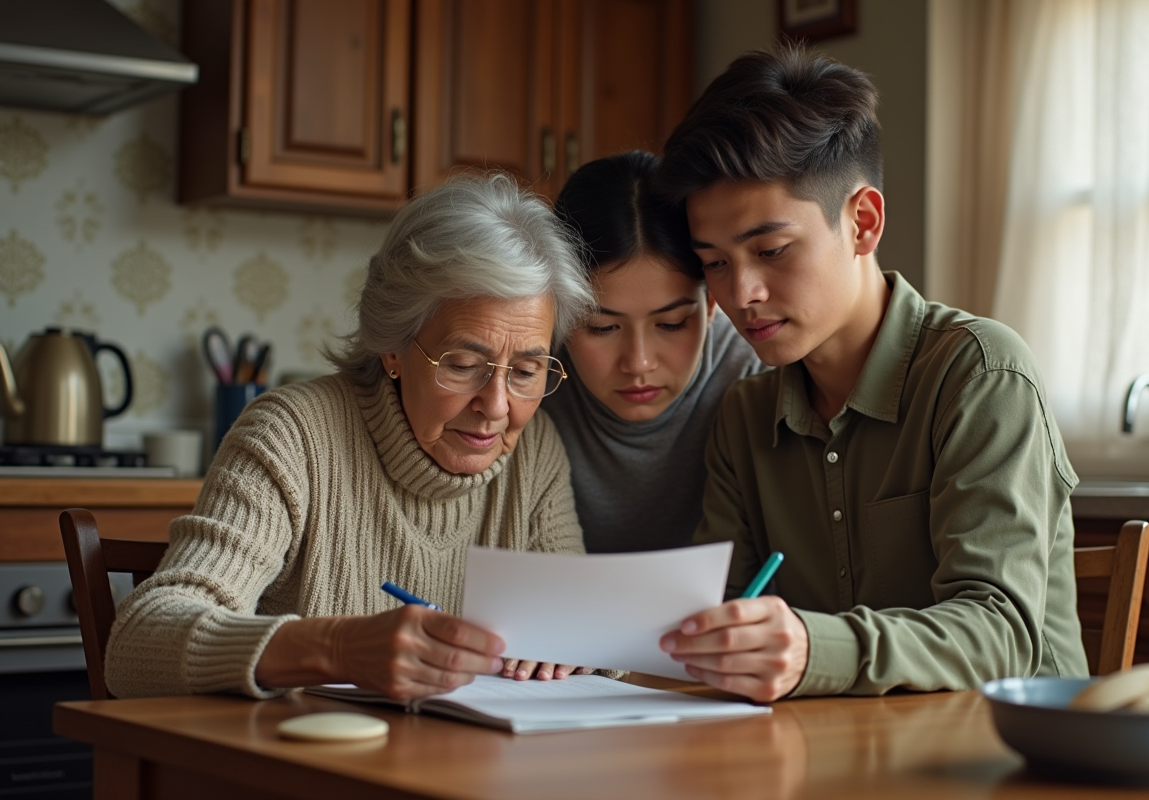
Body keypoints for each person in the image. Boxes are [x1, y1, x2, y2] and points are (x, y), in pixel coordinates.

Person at [654, 46, 1088, 701]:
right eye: (714, 263)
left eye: (770, 251)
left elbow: (1003, 634)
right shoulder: (745, 418)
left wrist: (811, 650)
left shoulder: (980, 375)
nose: (739, 293)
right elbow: (714, 619)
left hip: (1013, 759)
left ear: (863, 222)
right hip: (833, 758)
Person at [105, 173, 597, 700]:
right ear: (392, 348)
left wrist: (576, 645)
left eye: (525, 372)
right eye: (462, 364)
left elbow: (586, 631)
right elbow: (139, 643)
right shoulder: (292, 436)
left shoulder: (536, 450)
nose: (496, 407)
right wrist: (337, 648)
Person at [541, 151, 765, 553]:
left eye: (671, 324)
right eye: (603, 327)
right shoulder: (527, 382)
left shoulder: (756, 377)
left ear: (712, 303)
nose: (639, 363)